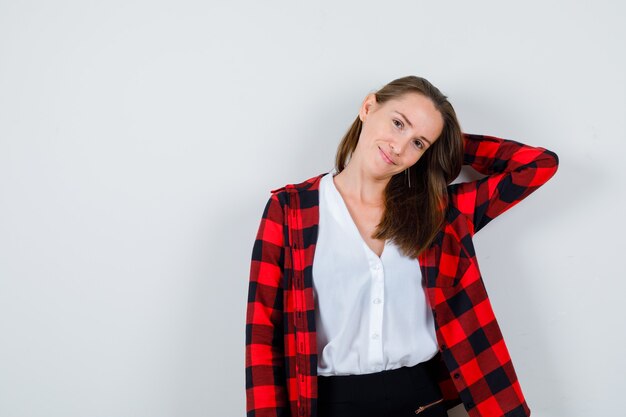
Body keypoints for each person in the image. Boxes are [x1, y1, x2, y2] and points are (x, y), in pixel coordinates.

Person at [245, 75, 559, 417]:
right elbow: (263, 334)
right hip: (330, 404)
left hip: (423, 401)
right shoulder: (291, 210)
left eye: (418, 143)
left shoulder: (442, 213)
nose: (399, 147)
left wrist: (446, 143)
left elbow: (538, 165)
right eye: (398, 124)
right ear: (368, 107)